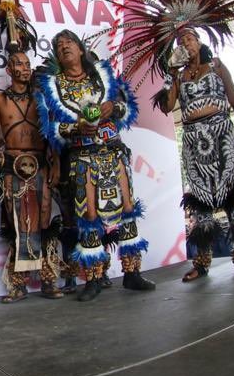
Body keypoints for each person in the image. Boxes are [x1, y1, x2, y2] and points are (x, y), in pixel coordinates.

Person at [36, 30, 155, 301]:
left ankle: (132, 273)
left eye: (69, 43)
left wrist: (112, 106)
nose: (64, 47)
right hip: (82, 156)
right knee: (88, 215)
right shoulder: (52, 87)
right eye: (59, 46)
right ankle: (93, 279)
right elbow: (51, 129)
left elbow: (128, 107)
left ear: (80, 49)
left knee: (126, 209)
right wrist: (75, 126)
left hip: (113, 151)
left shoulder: (103, 75)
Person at [158, 29, 234, 281]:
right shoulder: (178, 77)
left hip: (222, 136)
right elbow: (167, 106)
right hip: (193, 142)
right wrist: (170, 73)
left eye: (189, 39)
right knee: (200, 204)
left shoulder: (217, 66)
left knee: (232, 199)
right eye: (181, 42)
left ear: (199, 42)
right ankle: (201, 262)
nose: (186, 44)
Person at [0, 47, 63, 302]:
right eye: (18, 64)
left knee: (42, 220)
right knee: (17, 221)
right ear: (9, 70)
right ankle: (17, 284)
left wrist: (55, 166)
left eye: (27, 63)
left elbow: (52, 135)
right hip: (13, 164)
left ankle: (48, 278)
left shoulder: (42, 97)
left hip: (41, 162)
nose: (24, 67)